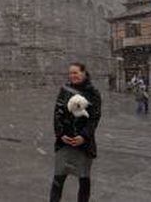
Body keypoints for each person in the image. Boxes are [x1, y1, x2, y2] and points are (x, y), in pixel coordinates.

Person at [49, 63, 102, 202]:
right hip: (65, 141)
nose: (73, 75)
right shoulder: (65, 90)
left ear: (84, 73)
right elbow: (57, 114)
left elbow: (94, 118)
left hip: (83, 143)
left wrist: (84, 136)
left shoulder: (93, 93)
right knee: (58, 177)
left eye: (76, 72)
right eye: (71, 73)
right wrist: (61, 134)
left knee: (84, 178)